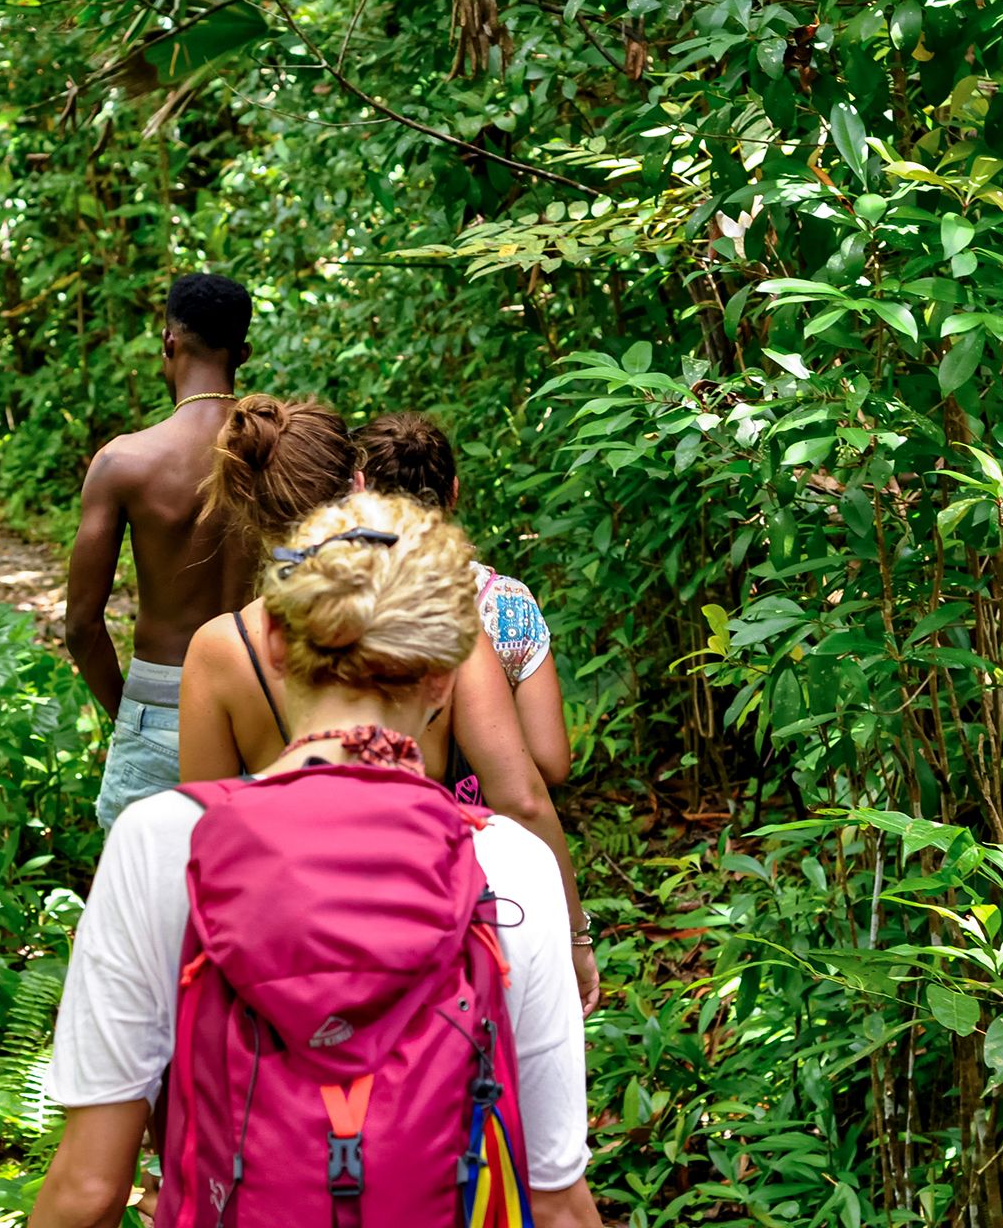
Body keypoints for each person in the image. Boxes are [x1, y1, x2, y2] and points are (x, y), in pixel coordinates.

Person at [33, 493, 603, 1228]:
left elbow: (87, 1191)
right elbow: (554, 1199)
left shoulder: (163, 841)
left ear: (271, 642)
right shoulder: (511, 863)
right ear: (443, 678)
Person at [177, 396, 600, 1014]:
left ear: (248, 509)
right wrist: (575, 933)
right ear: (358, 484)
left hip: (295, 944)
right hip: (427, 918)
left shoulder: (220, 651)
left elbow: (205, 838)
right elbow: (524, 798)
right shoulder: (432, 613)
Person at [66, 273, 259, 829]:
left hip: (161, 702)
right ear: (242, 353)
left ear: (169, 342)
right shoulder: (283, 454)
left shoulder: (125, 462)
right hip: (264, 701)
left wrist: (132, 714)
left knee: (148, 905)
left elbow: (81, 626)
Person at [356, 412, 570, 788]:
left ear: (358, 493)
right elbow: (550, 762)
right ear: (453, 491)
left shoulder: (333, 601)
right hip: (485, 827)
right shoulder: (509, 603)